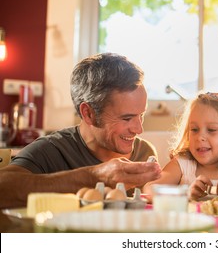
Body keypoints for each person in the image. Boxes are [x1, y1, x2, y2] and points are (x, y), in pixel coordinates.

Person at [0, 53, 161, 209]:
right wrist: (94, 176)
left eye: (141, 115)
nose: (139, 129)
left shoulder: (143, 152)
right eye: (126, 118)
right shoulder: (51, 151)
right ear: (88, 113)